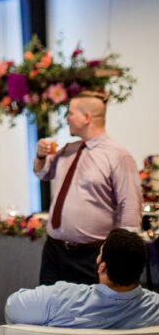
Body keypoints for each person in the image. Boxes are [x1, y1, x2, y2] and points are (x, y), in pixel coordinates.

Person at [34, 91, 141, 285]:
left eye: (70, 113)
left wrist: (120, 258)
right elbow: (42, 174)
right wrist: (41, 156)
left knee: (89, 313)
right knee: (48, 310)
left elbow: (130, 209)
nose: (66, 118)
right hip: (54, 251)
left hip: (92, 256)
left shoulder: (118, 156)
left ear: (87, 118)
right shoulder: (68, 149)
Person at [5, 228, 159, 328]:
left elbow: (12, 309)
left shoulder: (59, 298)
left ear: (102, 267)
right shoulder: (155, 307)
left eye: (100, 253)